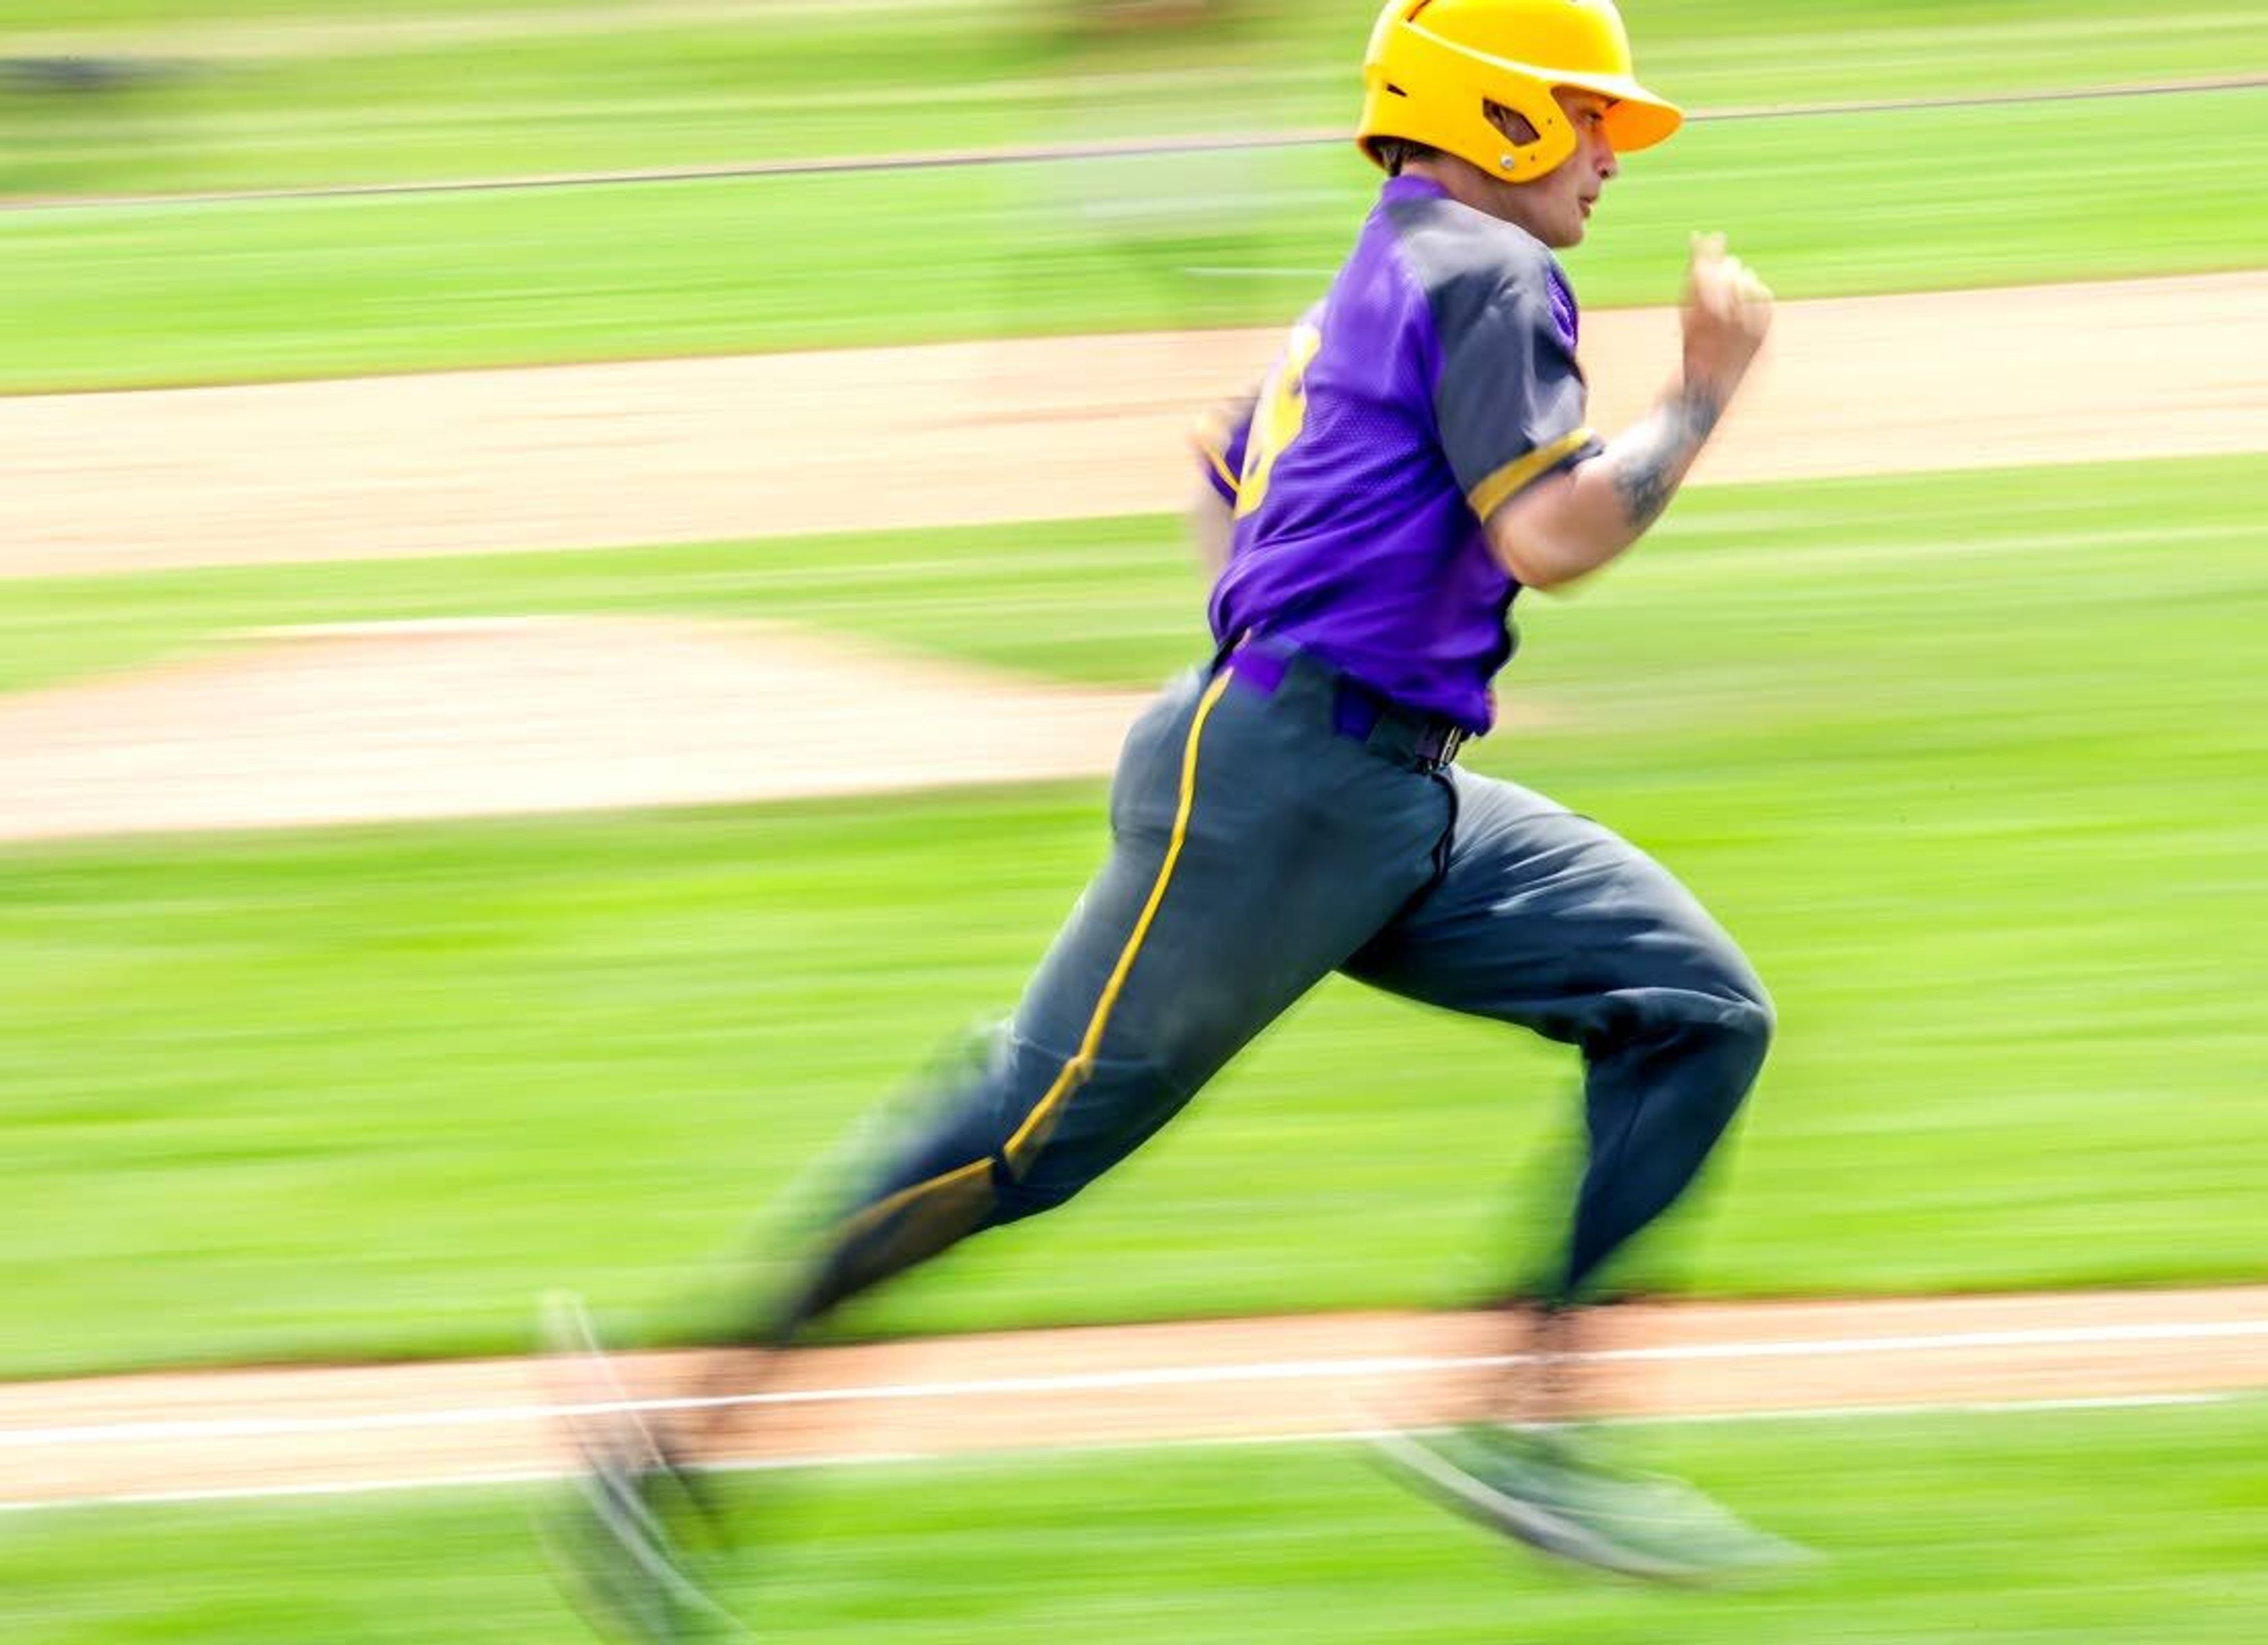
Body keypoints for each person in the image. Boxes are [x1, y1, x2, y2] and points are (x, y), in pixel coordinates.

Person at [545, 1, 1799, 1633]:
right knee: (1022, 1137)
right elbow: (1549, 538)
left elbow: (1226, 480)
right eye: (1583, 116)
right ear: (1491, 117)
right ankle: (668, 1437)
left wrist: (1289, 637)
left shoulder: (1384, 266)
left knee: (1696, 1009)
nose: (1608, 154)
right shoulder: (1484, 271)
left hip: (1374, 784)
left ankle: (1524, 1420)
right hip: (1286, 789)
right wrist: (1701, 395)